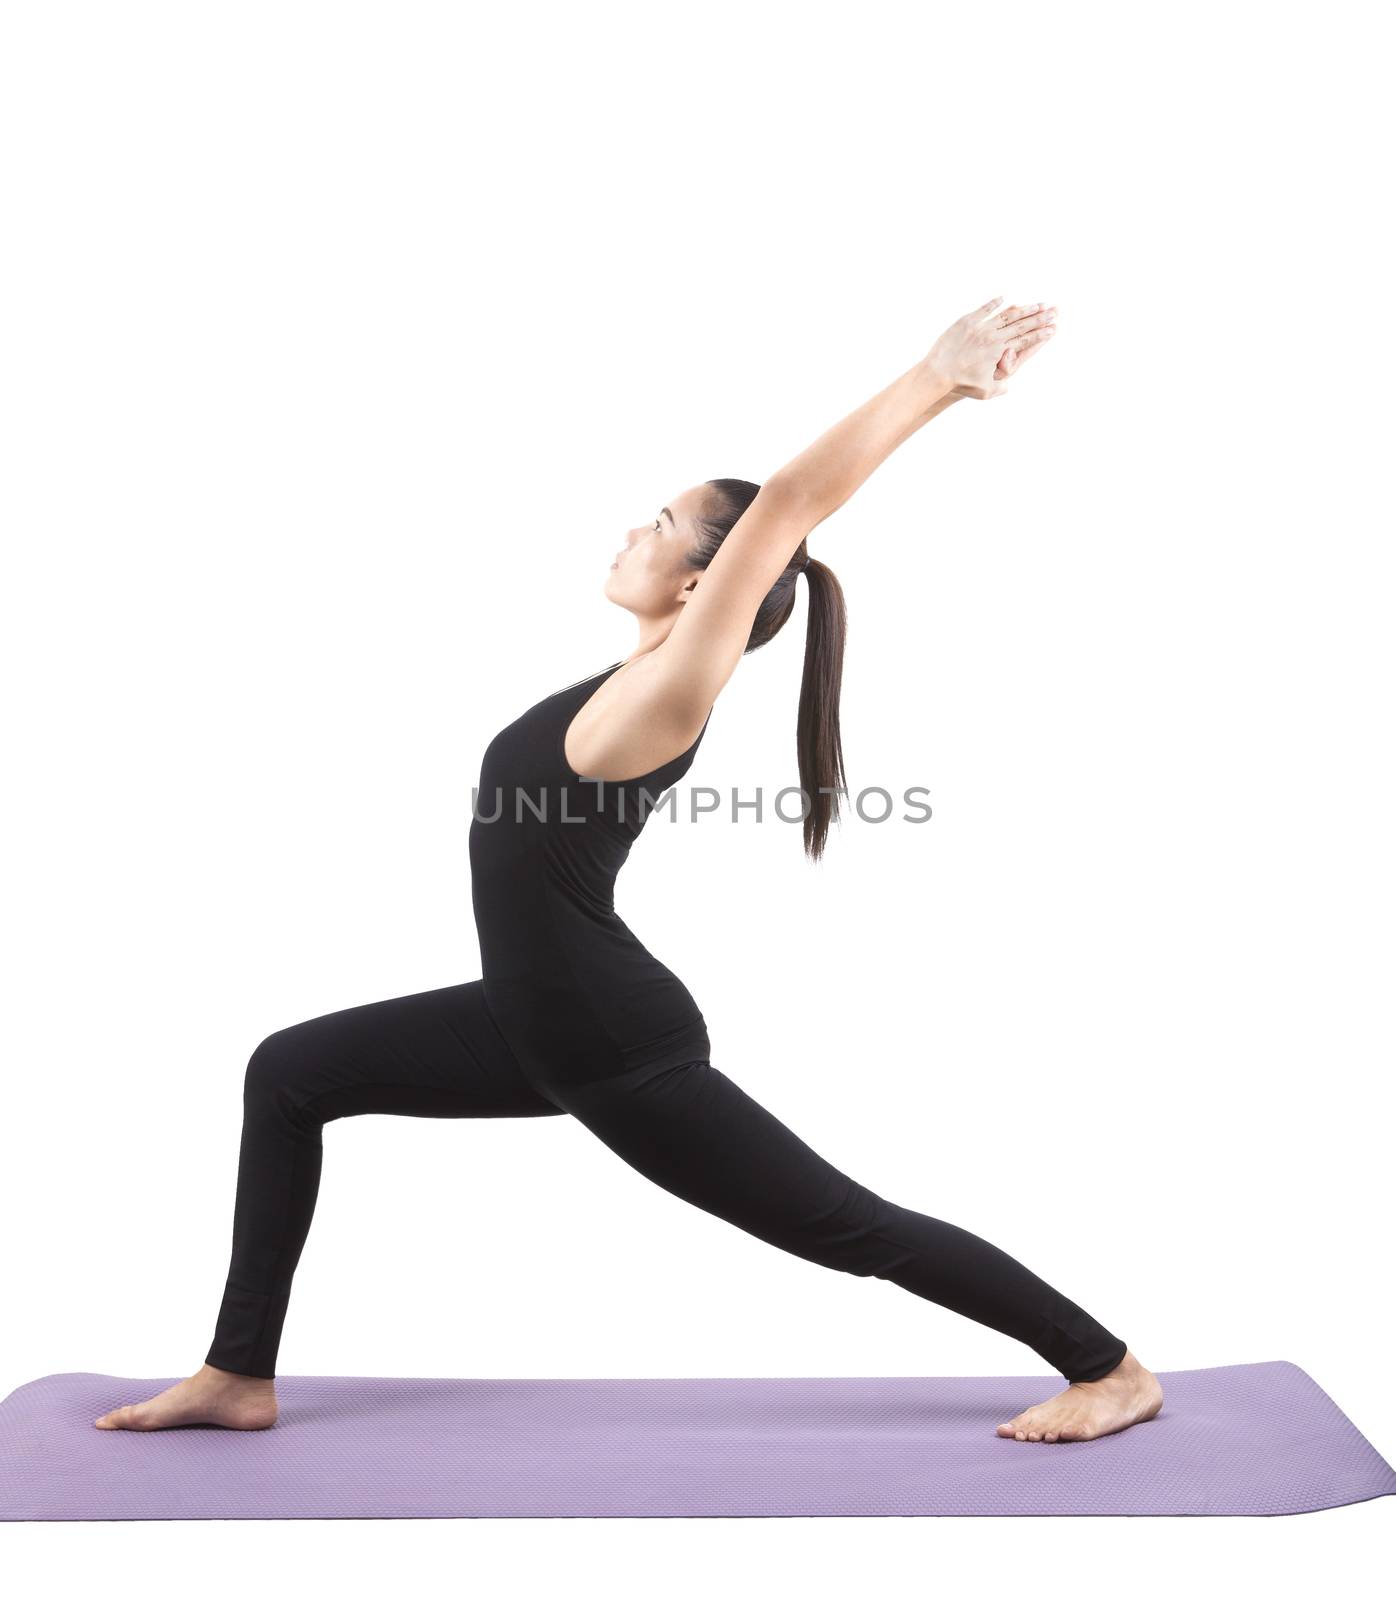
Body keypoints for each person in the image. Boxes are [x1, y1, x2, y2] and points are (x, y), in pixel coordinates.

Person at [96, 296, 1163, 1444]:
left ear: (711, 587)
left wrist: (933, 380)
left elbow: (793, 503)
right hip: (530, 1018)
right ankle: (236, 1372)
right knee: (291, 1072)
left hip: (611, 1046)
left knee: (852, 1228)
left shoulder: (668, 692)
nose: (632, 530)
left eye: (661, 523)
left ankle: (1106, 1366)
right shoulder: (617, 683)